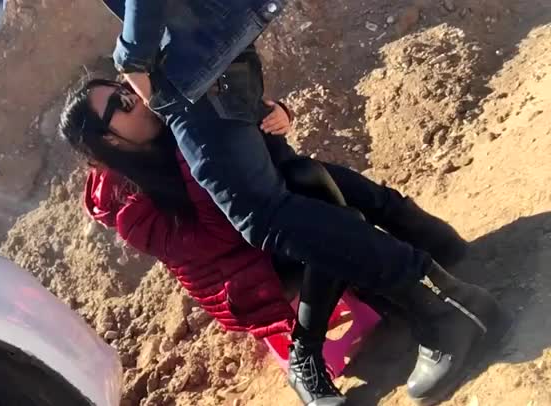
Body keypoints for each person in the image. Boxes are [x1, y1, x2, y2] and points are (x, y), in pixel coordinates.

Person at [58, 78, 507, 405]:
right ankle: (306, 357)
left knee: (306, 177)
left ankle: (429, 264)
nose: (137, 97)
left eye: (126, 87)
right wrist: (192, 141)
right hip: (244, 278)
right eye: (121, 103)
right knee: (321, 217)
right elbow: (223, 233)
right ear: (110, 141)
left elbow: (256, 156)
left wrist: (272, 115)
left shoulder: (176, 125)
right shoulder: (130, 210)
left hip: (268, 225)